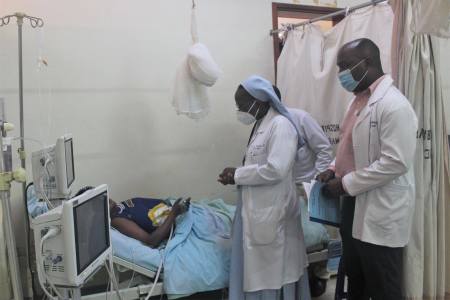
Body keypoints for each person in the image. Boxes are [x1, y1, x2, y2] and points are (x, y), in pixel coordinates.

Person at [317, 38, 418, 300]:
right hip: (353, 205)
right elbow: (349, 146)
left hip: (381, 211)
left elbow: (395, 162)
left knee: (383, 284)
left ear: (369, 62)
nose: (341, 74)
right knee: (356, 276)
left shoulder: (394, 105)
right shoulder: (357, 101)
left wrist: (346, 183)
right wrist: (332, 169)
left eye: (346, 66)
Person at [218, 75, 310, 300]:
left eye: (241, 104)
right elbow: (257, 164)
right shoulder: (262, 124)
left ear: (259, 101)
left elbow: (276, 169)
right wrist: (236, 173)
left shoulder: (281, 125)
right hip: (258, 209)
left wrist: (237, 175)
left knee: (275, 274)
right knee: (260, 271)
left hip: (273, 211)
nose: (239, 109)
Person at [75, 187, 190, 248]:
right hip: (180, 222)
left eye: (102, 194)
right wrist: (174, 213)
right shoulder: (117, 220)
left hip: (179, 212)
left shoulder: (118, 207)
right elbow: (151, 240)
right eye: (98, 200)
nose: (104, 197)